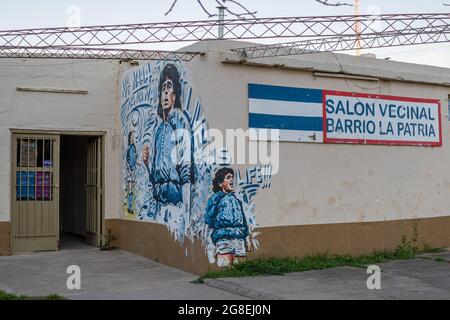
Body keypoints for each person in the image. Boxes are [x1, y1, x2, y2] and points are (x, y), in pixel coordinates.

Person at [142, 63, 192, 236]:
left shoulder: (180, 120)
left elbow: (186, 169)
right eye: (162, 87)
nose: (164, 92)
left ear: (175, 93)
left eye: (168, 86)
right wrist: (147, 163)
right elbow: (154, 173)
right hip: (159, 201)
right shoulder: (158, 129)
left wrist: (187, 211)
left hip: (174, 202)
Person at [204, 167, 254, 267]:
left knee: (240, 266)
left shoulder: (236, 200)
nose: (232, 179)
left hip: (239, 239)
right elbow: (208, 219)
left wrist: (247, 239)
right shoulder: (215, 199)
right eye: (228, 177)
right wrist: (209, 242)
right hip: (224, 239)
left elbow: (243, 221)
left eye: (232, 177)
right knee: (225, 266)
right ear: (220, 183)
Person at [126, 130, 138, 214]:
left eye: (134, 137)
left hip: (133, 170)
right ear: (129, 138)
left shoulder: (134, 147)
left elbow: (135, 159)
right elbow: (127, 159)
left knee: (132, 190)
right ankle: (129, 206)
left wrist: (138, 163)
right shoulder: (129, 148)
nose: (133, 138)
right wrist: (129, 170)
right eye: (132, 137)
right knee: (130, 190)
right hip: (130, 171)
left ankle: (131, 206)